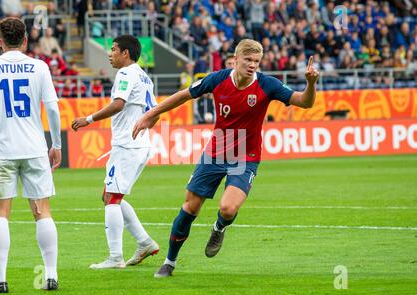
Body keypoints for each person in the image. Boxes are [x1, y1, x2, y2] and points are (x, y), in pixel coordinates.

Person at [132, 39, 319, 278]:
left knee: (228, 209)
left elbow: (305, 102)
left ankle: (219, 227)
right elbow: (183, 95)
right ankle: (170, 261)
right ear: (235, 60)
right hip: (215, 153)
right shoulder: (217, 79)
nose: (252, 65)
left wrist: (311, 83)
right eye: (248, 60)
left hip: (246, 156)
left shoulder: (267, 85)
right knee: (190, 207)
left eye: (256, 61)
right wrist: (151, 114)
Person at [0, 17, 62, 292]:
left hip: (2, 151)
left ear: (0, 41)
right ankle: (50, 276)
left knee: (0, 214)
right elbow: (53, 109)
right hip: (34, 149)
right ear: (25, 40)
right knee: (42, 212)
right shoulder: (40, 67)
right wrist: (56, 143)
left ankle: (0, 281)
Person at [71, 35, 159, 269]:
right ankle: (144, 242)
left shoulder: (126, 74)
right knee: (110, 196)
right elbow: (155, 112)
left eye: (113, 50)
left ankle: (115, 257)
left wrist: (88, 119)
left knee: (112, 198)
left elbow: (118, 104)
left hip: (127, 146)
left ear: (125, 53)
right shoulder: (144, 76)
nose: (109, 54)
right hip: (139, 145)